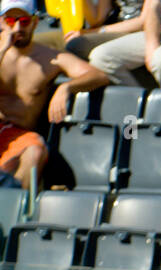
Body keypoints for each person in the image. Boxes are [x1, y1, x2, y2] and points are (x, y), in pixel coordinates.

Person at [0, 0, 108, 186]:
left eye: (24, 21)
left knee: (35, 151)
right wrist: (2, 49)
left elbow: (98, 75)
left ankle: (14, 207)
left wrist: (66, 87)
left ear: (35, 22)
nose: (18, 28)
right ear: (2, 22)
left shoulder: (50, 58)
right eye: (10, 21)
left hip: (20, 132)